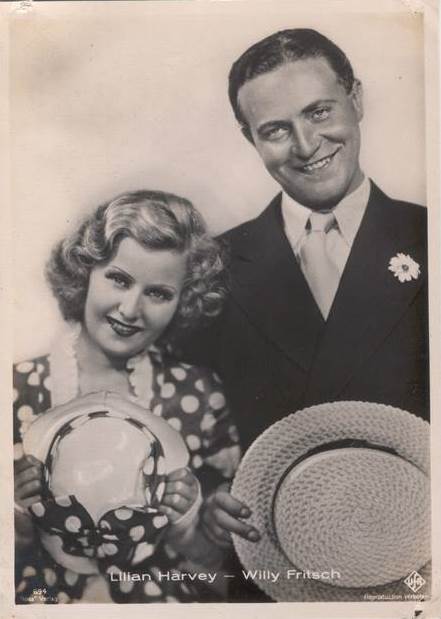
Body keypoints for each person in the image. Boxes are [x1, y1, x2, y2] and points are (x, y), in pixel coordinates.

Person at [184, 28, 429, 590]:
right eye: (275, 129)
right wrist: (204, 495)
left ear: (356, 99)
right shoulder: (212, 267)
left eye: (319, 112)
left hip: (416, 565)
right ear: (249, 138)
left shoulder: (430, 237)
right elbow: (182, 416)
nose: (305, 144)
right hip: (274, 569)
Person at [13, 189, 241, 604]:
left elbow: (220, 564)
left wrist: (189, 521)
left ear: (184, 300)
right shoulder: (16, 389)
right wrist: (17, 520)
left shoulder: (198, 394)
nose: (131, 309)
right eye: (118, 279)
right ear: (85, 272)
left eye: (158, 293)